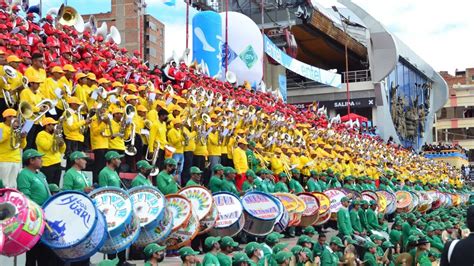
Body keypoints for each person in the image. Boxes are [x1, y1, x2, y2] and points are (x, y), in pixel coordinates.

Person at [17, 149, 55, 265]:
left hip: (45, 214)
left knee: (45, 251)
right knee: (33, 252)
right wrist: (37, 210)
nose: (41, 160)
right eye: (39, 158)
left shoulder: (41, 174)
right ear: (31, 160)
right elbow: (25, 197)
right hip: (34, 217)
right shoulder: (24, 174)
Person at [0, 108, 26, 188]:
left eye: (14, 117)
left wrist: (23, 137)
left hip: (16, 160)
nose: (13, 119)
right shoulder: (1, 126)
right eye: (10, 117)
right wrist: (10, 131)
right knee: (4, 184)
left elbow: (22, 146)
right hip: (4, 159)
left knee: (14, 185)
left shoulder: (18, 129)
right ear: (5, 118)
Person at [36, 116, 65, 186]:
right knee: (48, 186)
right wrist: (55, 137)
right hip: (47, 165)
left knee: (56, 186)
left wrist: (62, 144)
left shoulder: (55, 135)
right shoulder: (41, 134)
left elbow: (62, 150)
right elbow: (46, 147)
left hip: (57, 163)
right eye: (53, 125)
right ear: (47, 126)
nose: (55, 126)